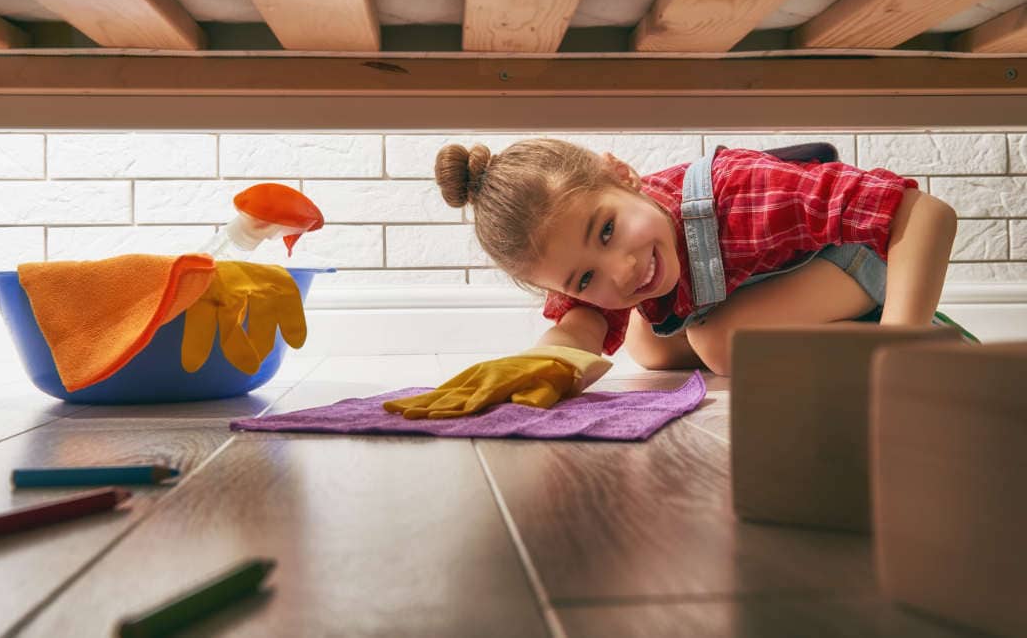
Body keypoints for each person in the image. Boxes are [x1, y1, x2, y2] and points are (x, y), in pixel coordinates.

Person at [382, 138, 965, 419]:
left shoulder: (742, 191)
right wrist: (541, 365)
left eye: (607, 231)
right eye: (585, 277)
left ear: (622, 174)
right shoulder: (603, 269)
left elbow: (924, 214)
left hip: (867, 257)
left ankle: (916, 340)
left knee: (715, 341)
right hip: (775, 281)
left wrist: (900, 340)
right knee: (646, 340)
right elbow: (580, 327)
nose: (623, 271)